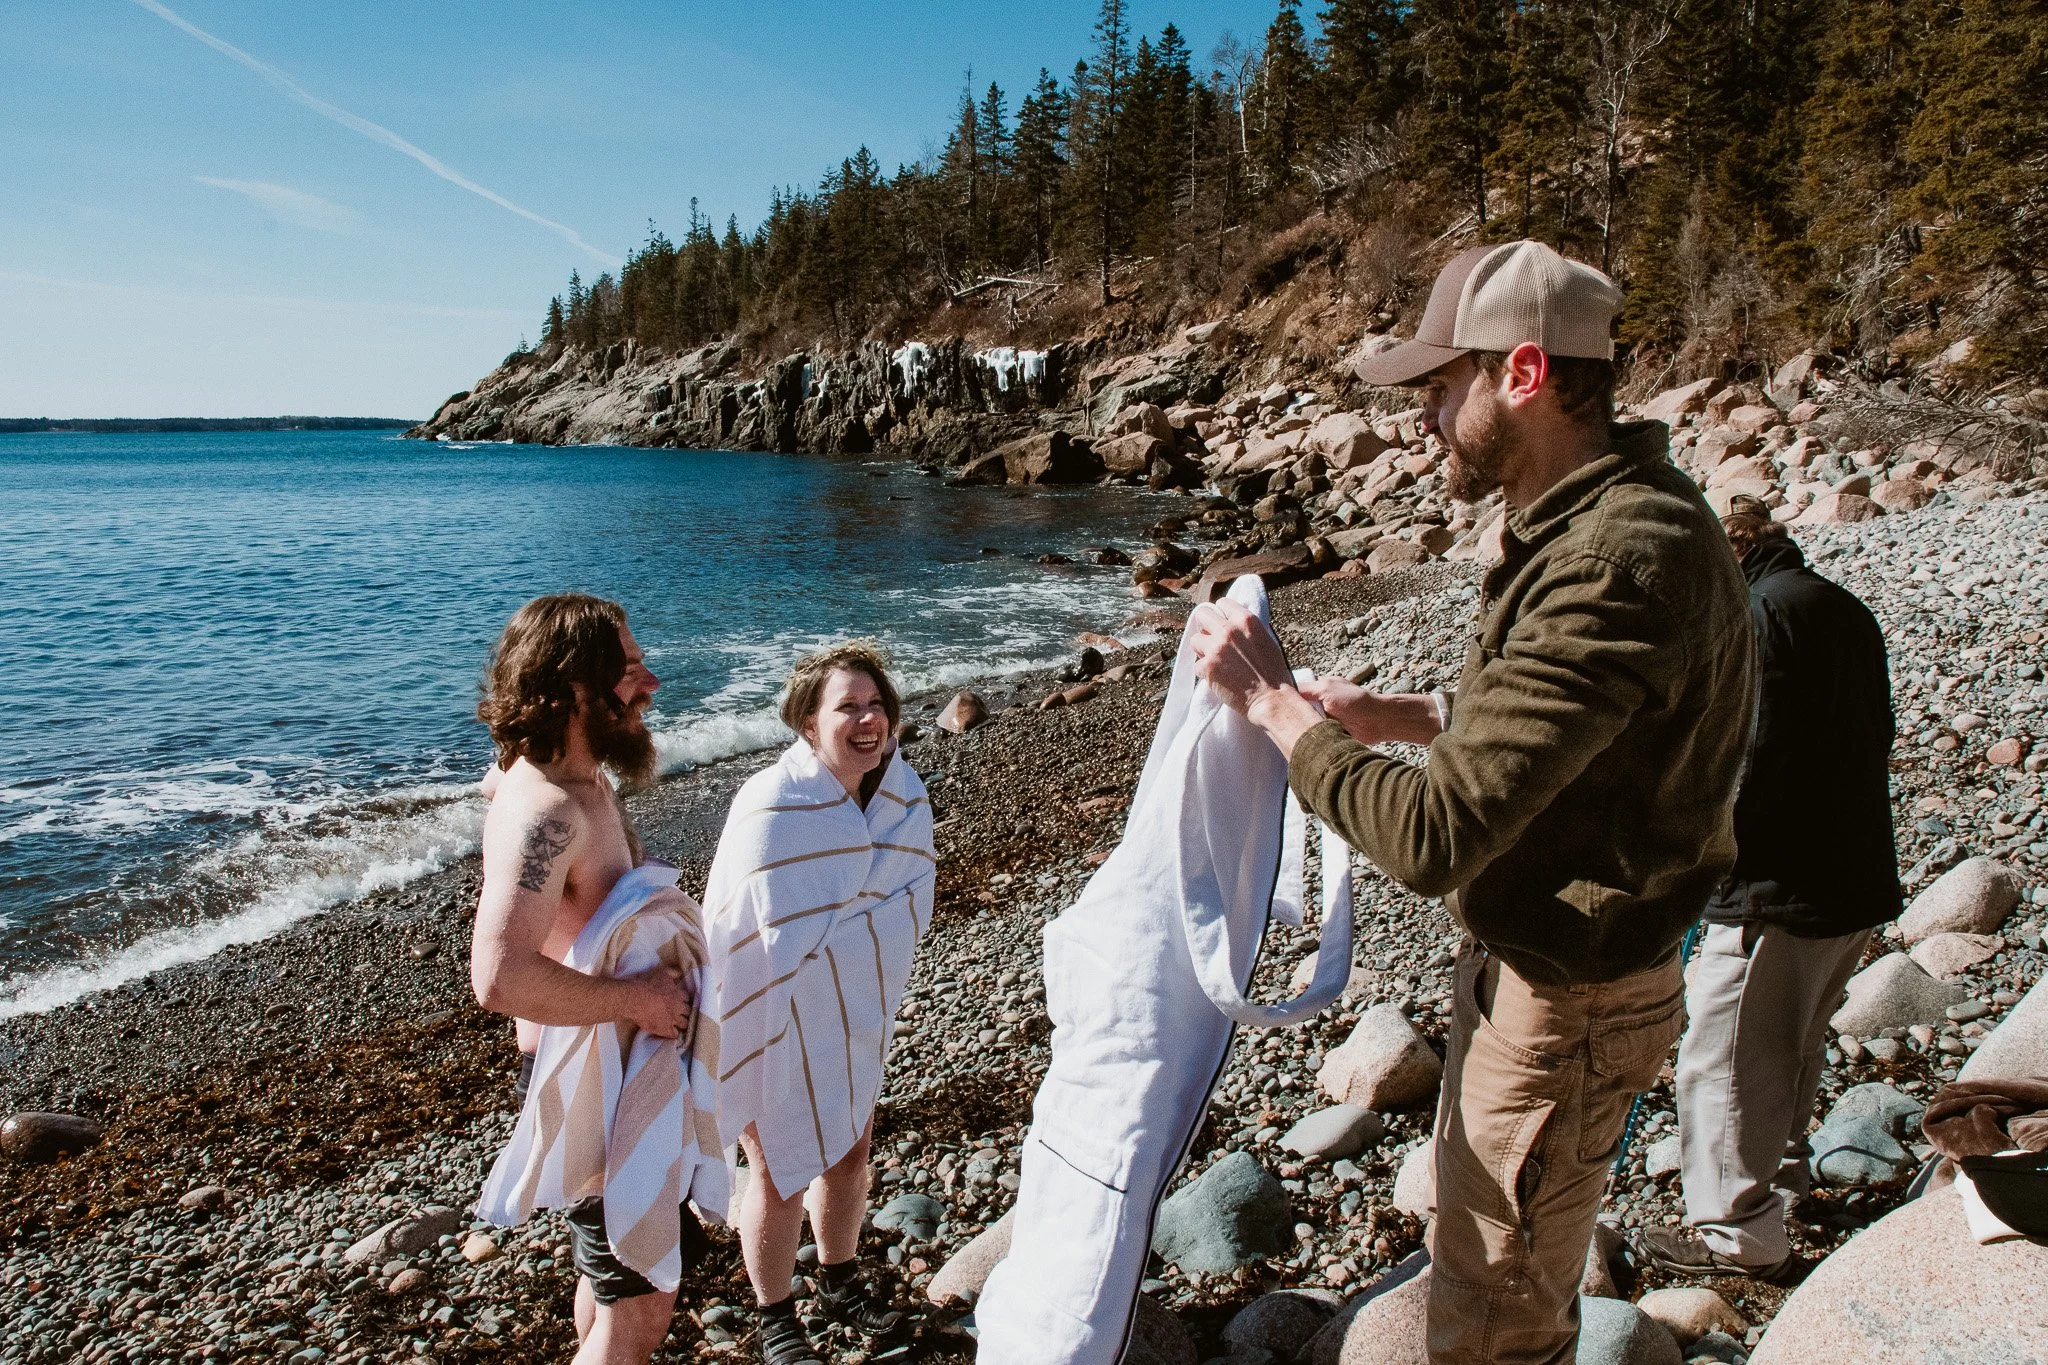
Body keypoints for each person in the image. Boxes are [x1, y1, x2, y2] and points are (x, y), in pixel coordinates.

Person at [1188, 241, 1756, 1364]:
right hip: (1551, 984)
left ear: (1525, 374)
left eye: (1441, 387)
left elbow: (1432, 838)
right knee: (1489, 1275)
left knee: (1494, 1328)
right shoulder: (1604, 519)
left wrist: (1278, 715)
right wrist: (1399, 717)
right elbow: (1594, 740)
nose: (1422, 418)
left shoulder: (1615, 556)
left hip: (1567, 1005)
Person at [1636, 498, 1899, 1283]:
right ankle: (1777, 1178)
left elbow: (1745, 762)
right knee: (1789, 1042)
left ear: (1727, 552)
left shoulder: (1752, 618)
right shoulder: (1841, 607)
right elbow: (1878, 732)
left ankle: (1736, 1234)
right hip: (1852, 876)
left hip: (1773, 886)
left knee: (1720, 1056)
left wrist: (1686, 861)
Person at [468, 593, 703, 1365]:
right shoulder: (547, 810)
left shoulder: (577, 777)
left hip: (624, 1064)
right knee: (643, 1298)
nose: (652, 682)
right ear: (574, 687)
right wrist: (640, 998)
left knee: (613, 1286)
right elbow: (498, 978)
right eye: (630, 670)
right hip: (586, 1078)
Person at [698, 643, 936, 1365]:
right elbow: (736, 931)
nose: (868, 720)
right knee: (776, 1167)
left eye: (877, 705)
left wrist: (856, 946)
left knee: (851, 1147)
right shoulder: (771, 805)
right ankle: (775, 1319)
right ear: (807, 722)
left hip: (857, 1006)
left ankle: (838, 1277)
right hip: (774, 1016)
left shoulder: (902, 794)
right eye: (848, 707)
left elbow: (906, 893)